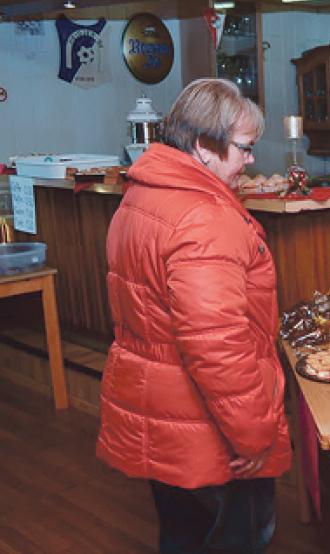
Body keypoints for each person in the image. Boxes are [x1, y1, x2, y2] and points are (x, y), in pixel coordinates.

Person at [96, 78, 292, 554]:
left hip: (160, 414)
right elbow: (216, 345)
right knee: (240, 537)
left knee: (182, 534)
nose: (251, 160)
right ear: (204, 147)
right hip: (208, 427)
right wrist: (253, 435)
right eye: (244, 148)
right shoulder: (204, 215)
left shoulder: (142, 193)